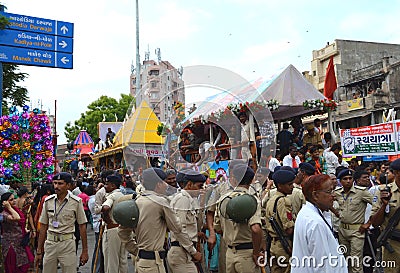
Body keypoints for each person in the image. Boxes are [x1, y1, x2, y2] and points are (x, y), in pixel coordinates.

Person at [118, 168, 202, 273]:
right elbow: (177, 229)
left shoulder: (136, 202)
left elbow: (122, 232)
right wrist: (193, 252)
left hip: (142, 262)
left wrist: (136, 250)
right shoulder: (160, 202)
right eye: (164, 182)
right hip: (154, 263)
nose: (167, 185)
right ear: (158, 184)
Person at [291, 174, 348, 273]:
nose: (333, 196)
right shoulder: (315, 223)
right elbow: (323, 265)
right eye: (329, 191)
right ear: (315, 195)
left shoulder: (307, 213)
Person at [214, 164, 264, 273]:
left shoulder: (223, 200)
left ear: (234, 179)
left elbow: (217, 228)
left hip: (229, 253)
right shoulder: (252, 201)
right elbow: (256, 229)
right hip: (247, 254)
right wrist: (256, 252)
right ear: (251, 180)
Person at [35, 172, 88, 273]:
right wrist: (39, 251)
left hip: (68, 244)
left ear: (68, 185)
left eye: (60, 183)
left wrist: (85, 251)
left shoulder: (76, 202)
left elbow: (82, 226)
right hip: (50, 243)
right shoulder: (48, 201)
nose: (56, 186)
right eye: (55, 183)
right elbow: (43, 226)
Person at [334, 169, 373, 273]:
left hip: (357, 231)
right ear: (340, 181)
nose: (348, 181)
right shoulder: (337, 193)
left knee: (356, 262)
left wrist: (368, 223)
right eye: (345, 179)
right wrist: (336, 213)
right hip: (342, 230)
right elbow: (327, 202)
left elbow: (377, 205)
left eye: (350, 178)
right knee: (346, 260)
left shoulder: (361, 192)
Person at [168, 170, 206, 273]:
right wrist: (193, 252)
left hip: (185, 251)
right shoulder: (183, 200)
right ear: (189, 184)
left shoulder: (189, 200)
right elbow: (179, 229)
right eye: (199, 186)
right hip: (181, 252)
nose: (201, 190)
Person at [370, 158, 400, 273]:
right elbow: (375, 222)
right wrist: (384, 205)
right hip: (392, 246)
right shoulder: (383, 191)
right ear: (397, 173)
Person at [265, 170, 296, 273]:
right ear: (280, 185)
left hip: (273, 245)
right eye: (289, 184)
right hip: (284, 245)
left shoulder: (272, 199)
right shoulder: (283, 201)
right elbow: (289, 229)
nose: (292, 187)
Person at [1, 191, 34, 273]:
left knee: (23, 265)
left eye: (14, 198)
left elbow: (21, 221)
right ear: (5, 202)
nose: (14, 201)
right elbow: (17, 218)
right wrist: (8, 207)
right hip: (10, 244)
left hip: (19, 243)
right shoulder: (3, 214)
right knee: (13, 266)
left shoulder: (15, 210)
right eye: (11, 200)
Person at [101, 175, 127, 273]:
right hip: (123, 230)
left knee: (111, 261)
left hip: (112, 230)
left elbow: (106, 207)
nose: (105, 186)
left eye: (107, 184)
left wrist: (106, 217)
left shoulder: (111, 196)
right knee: (122, 260)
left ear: (113, 185)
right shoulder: (123, 196)